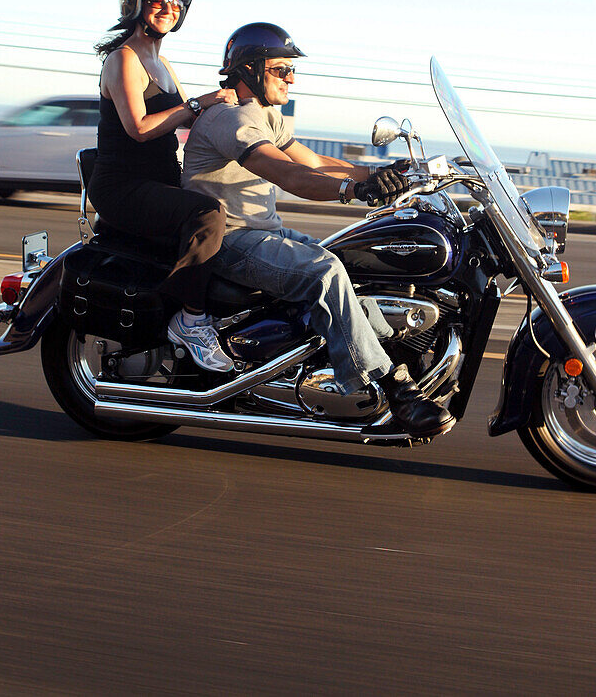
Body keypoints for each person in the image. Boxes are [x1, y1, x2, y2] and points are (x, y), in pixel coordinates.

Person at [180, 22, 455, 439]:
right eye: (282, 69)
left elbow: (312, 161)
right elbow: (289, 175)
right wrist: (354, 189)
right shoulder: (228, 118)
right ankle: (392, 388)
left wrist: (385, 172)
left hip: (261, 231)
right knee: (324, 272)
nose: (292, 78)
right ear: (250, 69)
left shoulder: (265, 115)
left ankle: (393, 347)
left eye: (292, 69)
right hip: (230, 240)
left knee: (348, 261)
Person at [89, 0, 237, 372]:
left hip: (158, 179)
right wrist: (197, 103)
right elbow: (139, 128)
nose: (168, 9)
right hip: (124, 185)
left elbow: (189, 119)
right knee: (207, 215)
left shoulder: (162, 63)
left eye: (177, 3)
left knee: (229, 213)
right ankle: (191, 321)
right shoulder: (123, 60)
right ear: (134, 3)